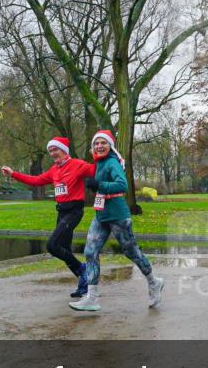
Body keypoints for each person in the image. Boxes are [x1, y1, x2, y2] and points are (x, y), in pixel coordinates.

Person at [70, 131, 164, 313]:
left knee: (131, 252)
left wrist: (99, 185)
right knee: (90, 252)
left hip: (118, 215)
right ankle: (91, 298)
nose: (99, 146)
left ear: (110, 145)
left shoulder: (112, 162)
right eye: (96, 143)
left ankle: (154, 282)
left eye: (102, 143)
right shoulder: (98, 163)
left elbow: (123, 185)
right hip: (101, 215)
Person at [2, 137, 95, 298]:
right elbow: (36, 180)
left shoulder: (77, 165)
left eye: (55, 149)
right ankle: (84, 281)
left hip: (74, 211)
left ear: (64, 150)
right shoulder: (54, 169)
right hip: (62, 211)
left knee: (52, 245)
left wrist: (100, 156)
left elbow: (96, 170)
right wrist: (13, 174)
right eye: (50, 151)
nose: (52, 153)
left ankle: (83, 269)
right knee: (64, 249)